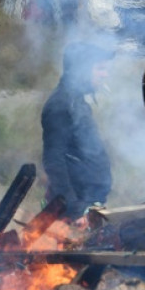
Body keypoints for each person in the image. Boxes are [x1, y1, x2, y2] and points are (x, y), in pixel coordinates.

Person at [41, 42, 115, 220]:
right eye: (100, 69)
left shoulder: (77, 101)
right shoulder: (60, 106)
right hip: (75, 211)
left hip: (88, 204)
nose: (105, 74)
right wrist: (75, 210)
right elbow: (54, 162)